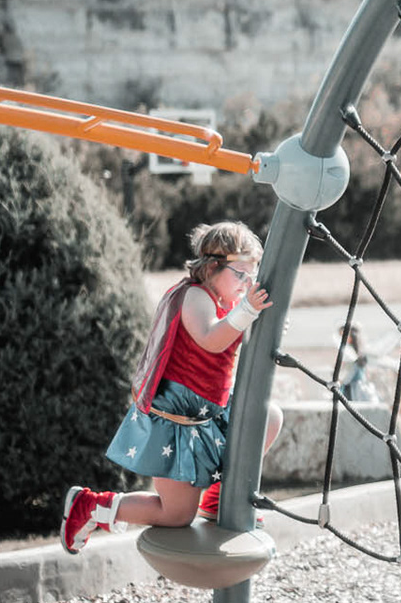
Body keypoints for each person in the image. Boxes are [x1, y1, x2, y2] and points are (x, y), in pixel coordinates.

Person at [60, 221, 285, 552]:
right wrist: (248, 311)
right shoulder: (194, 296)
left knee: (269, 417)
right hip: (177, 423)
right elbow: (211, 338)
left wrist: (262, 323)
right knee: (176, 514)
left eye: (250, 276)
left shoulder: (225, 301)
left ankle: (218, 496)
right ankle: (91, 506)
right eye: (240, 274)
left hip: (209, 412)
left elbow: (233, 335)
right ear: (212, 267)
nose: (246, 283)